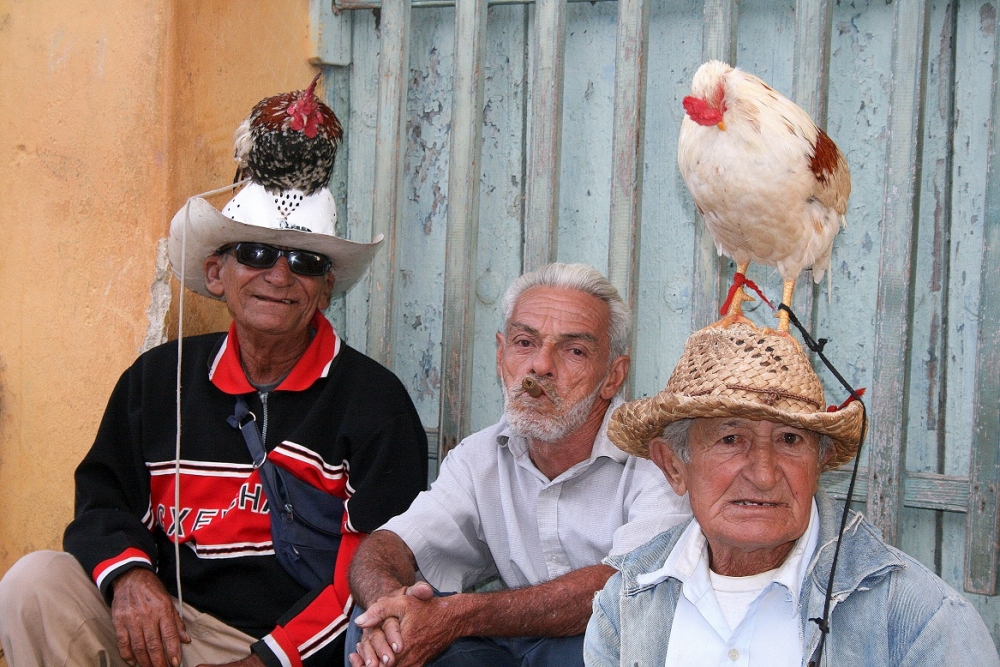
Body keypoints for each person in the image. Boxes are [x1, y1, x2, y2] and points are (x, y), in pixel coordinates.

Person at [0, 102, 428, 667]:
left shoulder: (376, 404)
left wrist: (269, 660)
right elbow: (103, 501)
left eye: (302, 261)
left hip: (293, 647)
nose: (278, 275)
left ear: (324, 290)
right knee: (34, 585)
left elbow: (370, 577)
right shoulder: (157, 379)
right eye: (254, 253)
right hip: (166, 623)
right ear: (216, 272)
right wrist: (130, 576)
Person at [584, 322, 1000, 666]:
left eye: (789, 439)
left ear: (819, 463)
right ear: (674, 466)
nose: (764, 475)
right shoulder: (625, 606)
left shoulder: (917, 617)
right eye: (731, 438)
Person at [346, 262, 691, 667]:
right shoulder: (481, 457)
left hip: (603, 646)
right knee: (374, 624)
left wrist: (458, 616)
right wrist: (387, 602)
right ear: (500, 355)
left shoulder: (657, 460)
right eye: (524, 342)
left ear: (613, 376)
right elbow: (387, 546)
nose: (540, 366)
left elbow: (622, 589)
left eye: (573, 350)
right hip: (511, 645)